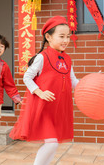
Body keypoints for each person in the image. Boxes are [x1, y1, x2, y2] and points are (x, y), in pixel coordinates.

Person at [10, 16, 79, 165]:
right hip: (43, 108)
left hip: (58, 108)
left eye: (68, 36)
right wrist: (40, 92)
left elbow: (73, 81)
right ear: (48, 37)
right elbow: (27, 77)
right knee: (52, 143)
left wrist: (91, 84)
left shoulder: (67, 59)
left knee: (53, 143)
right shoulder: (42, 57)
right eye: (61, 36)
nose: (66, 40)